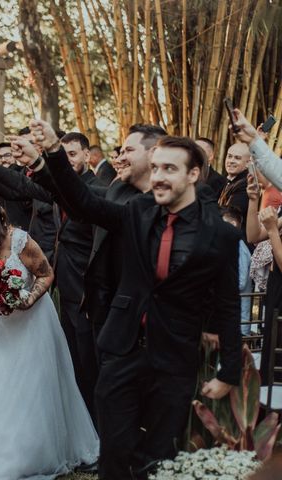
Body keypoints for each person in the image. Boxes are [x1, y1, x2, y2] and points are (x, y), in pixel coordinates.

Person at [16, 120, 241, 479]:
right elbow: (85, 203)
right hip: (122, 350)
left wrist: (229, 371)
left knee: (160, 458)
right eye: (155, 168)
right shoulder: (138, 212)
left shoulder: (219, 236)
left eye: (169, 169)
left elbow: (229, 304)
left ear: (194, 174)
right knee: (115, 454)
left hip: (174, 358)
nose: (159, 177)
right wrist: (55, 153)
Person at [0, 185, 99, 479]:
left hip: (32, 325)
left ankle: (31, 450)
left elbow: (46, 273)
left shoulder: (19, 240)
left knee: (31, 389)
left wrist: (28, 298)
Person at [220, 207, 252, 336]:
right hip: (231, 318)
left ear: (232, 225)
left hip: (238, 321)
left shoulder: (239, 248)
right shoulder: (231, 245)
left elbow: (241, 282)